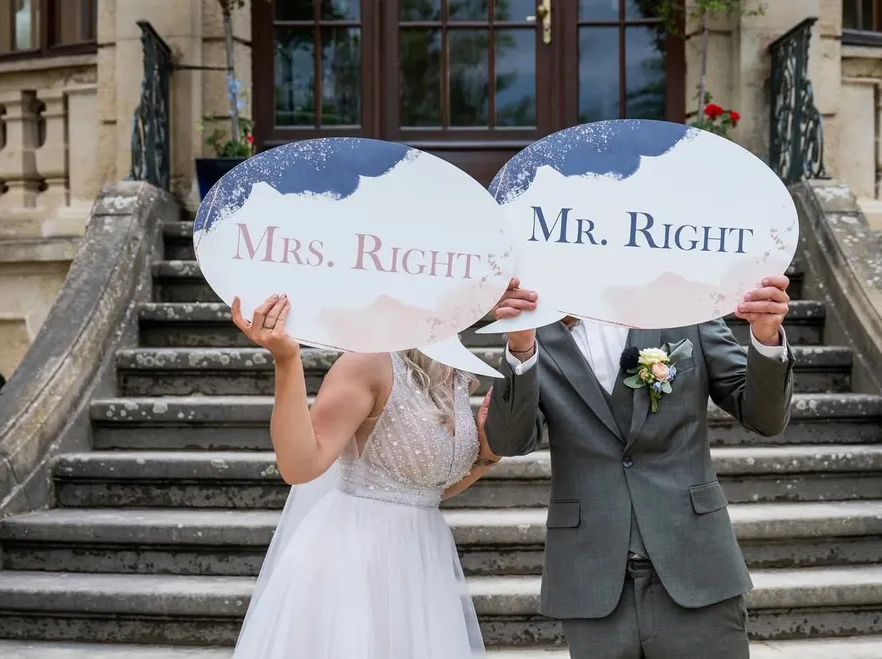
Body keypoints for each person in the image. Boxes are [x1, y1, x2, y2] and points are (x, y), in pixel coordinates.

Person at [485, 276, 794, 659]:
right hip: (591, 574)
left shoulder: (684, 305)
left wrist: (765, 338)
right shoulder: (533, 326)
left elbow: (764, 417)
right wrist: (519, 346)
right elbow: (510, 441)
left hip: (695, 560)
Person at [228, 293, 500, 659]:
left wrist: (486, 455)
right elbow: (300, 466)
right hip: (355, 560)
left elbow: (423, 490)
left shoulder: (454, 371)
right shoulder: (368, 363)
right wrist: (287, 360)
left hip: (420, 560)